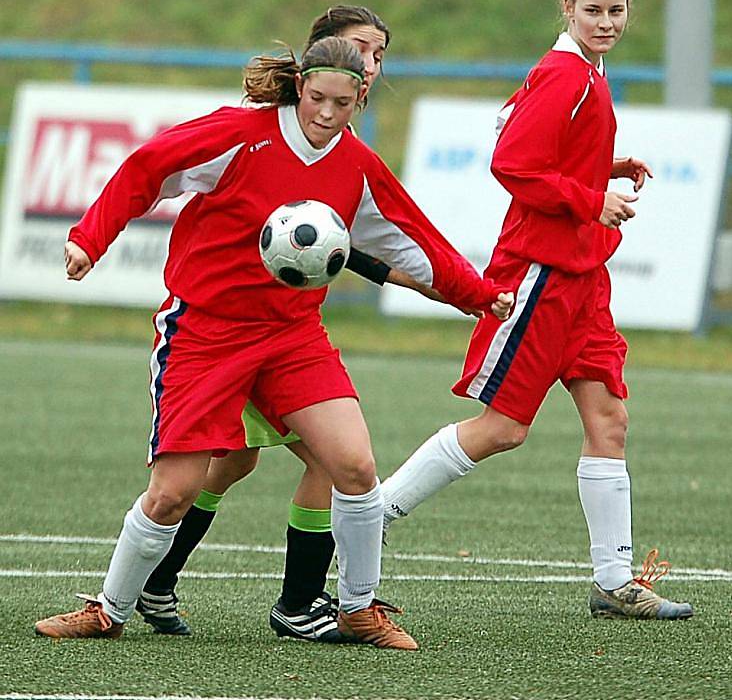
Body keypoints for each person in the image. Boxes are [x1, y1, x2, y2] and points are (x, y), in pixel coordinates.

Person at [33, 36, 513, 649]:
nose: (327, 114)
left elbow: (407, 238)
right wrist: (89, 240)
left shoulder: (358, 165)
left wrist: (476, 294)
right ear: (299, 87)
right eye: (316, 98)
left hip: (292, 336)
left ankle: (358, 610)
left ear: (360, 96)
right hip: (204, 332)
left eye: (342, 102)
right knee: (173, 493)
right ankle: (110, 608)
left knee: (355, 465)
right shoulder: (241, 134)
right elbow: (146, 167)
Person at [133, 6, 480, 643]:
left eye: (380, 55)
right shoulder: (272, 128)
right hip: (226, 326)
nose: (372, 64)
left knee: (320, 461)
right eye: (363, 50)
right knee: (232, 465)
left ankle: (295, 598)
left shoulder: (348, 153)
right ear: (315, 65)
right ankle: (176, 584)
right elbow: (325, 233)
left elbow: (358, 242)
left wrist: (449, 287)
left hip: (284, 329)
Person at [380, 0, 694, 621]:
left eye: (616, 10)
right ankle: (369, 515)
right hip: (541, 274)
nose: (606, 21)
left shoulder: (582, 73)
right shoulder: (562, 73)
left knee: (608, 420)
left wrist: (603, 167)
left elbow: (513, 130)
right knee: (502, 429)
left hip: (583, 277)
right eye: (593, 10)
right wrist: (590, 197)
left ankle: (613, 583)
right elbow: (510, 160)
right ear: (566, 8)